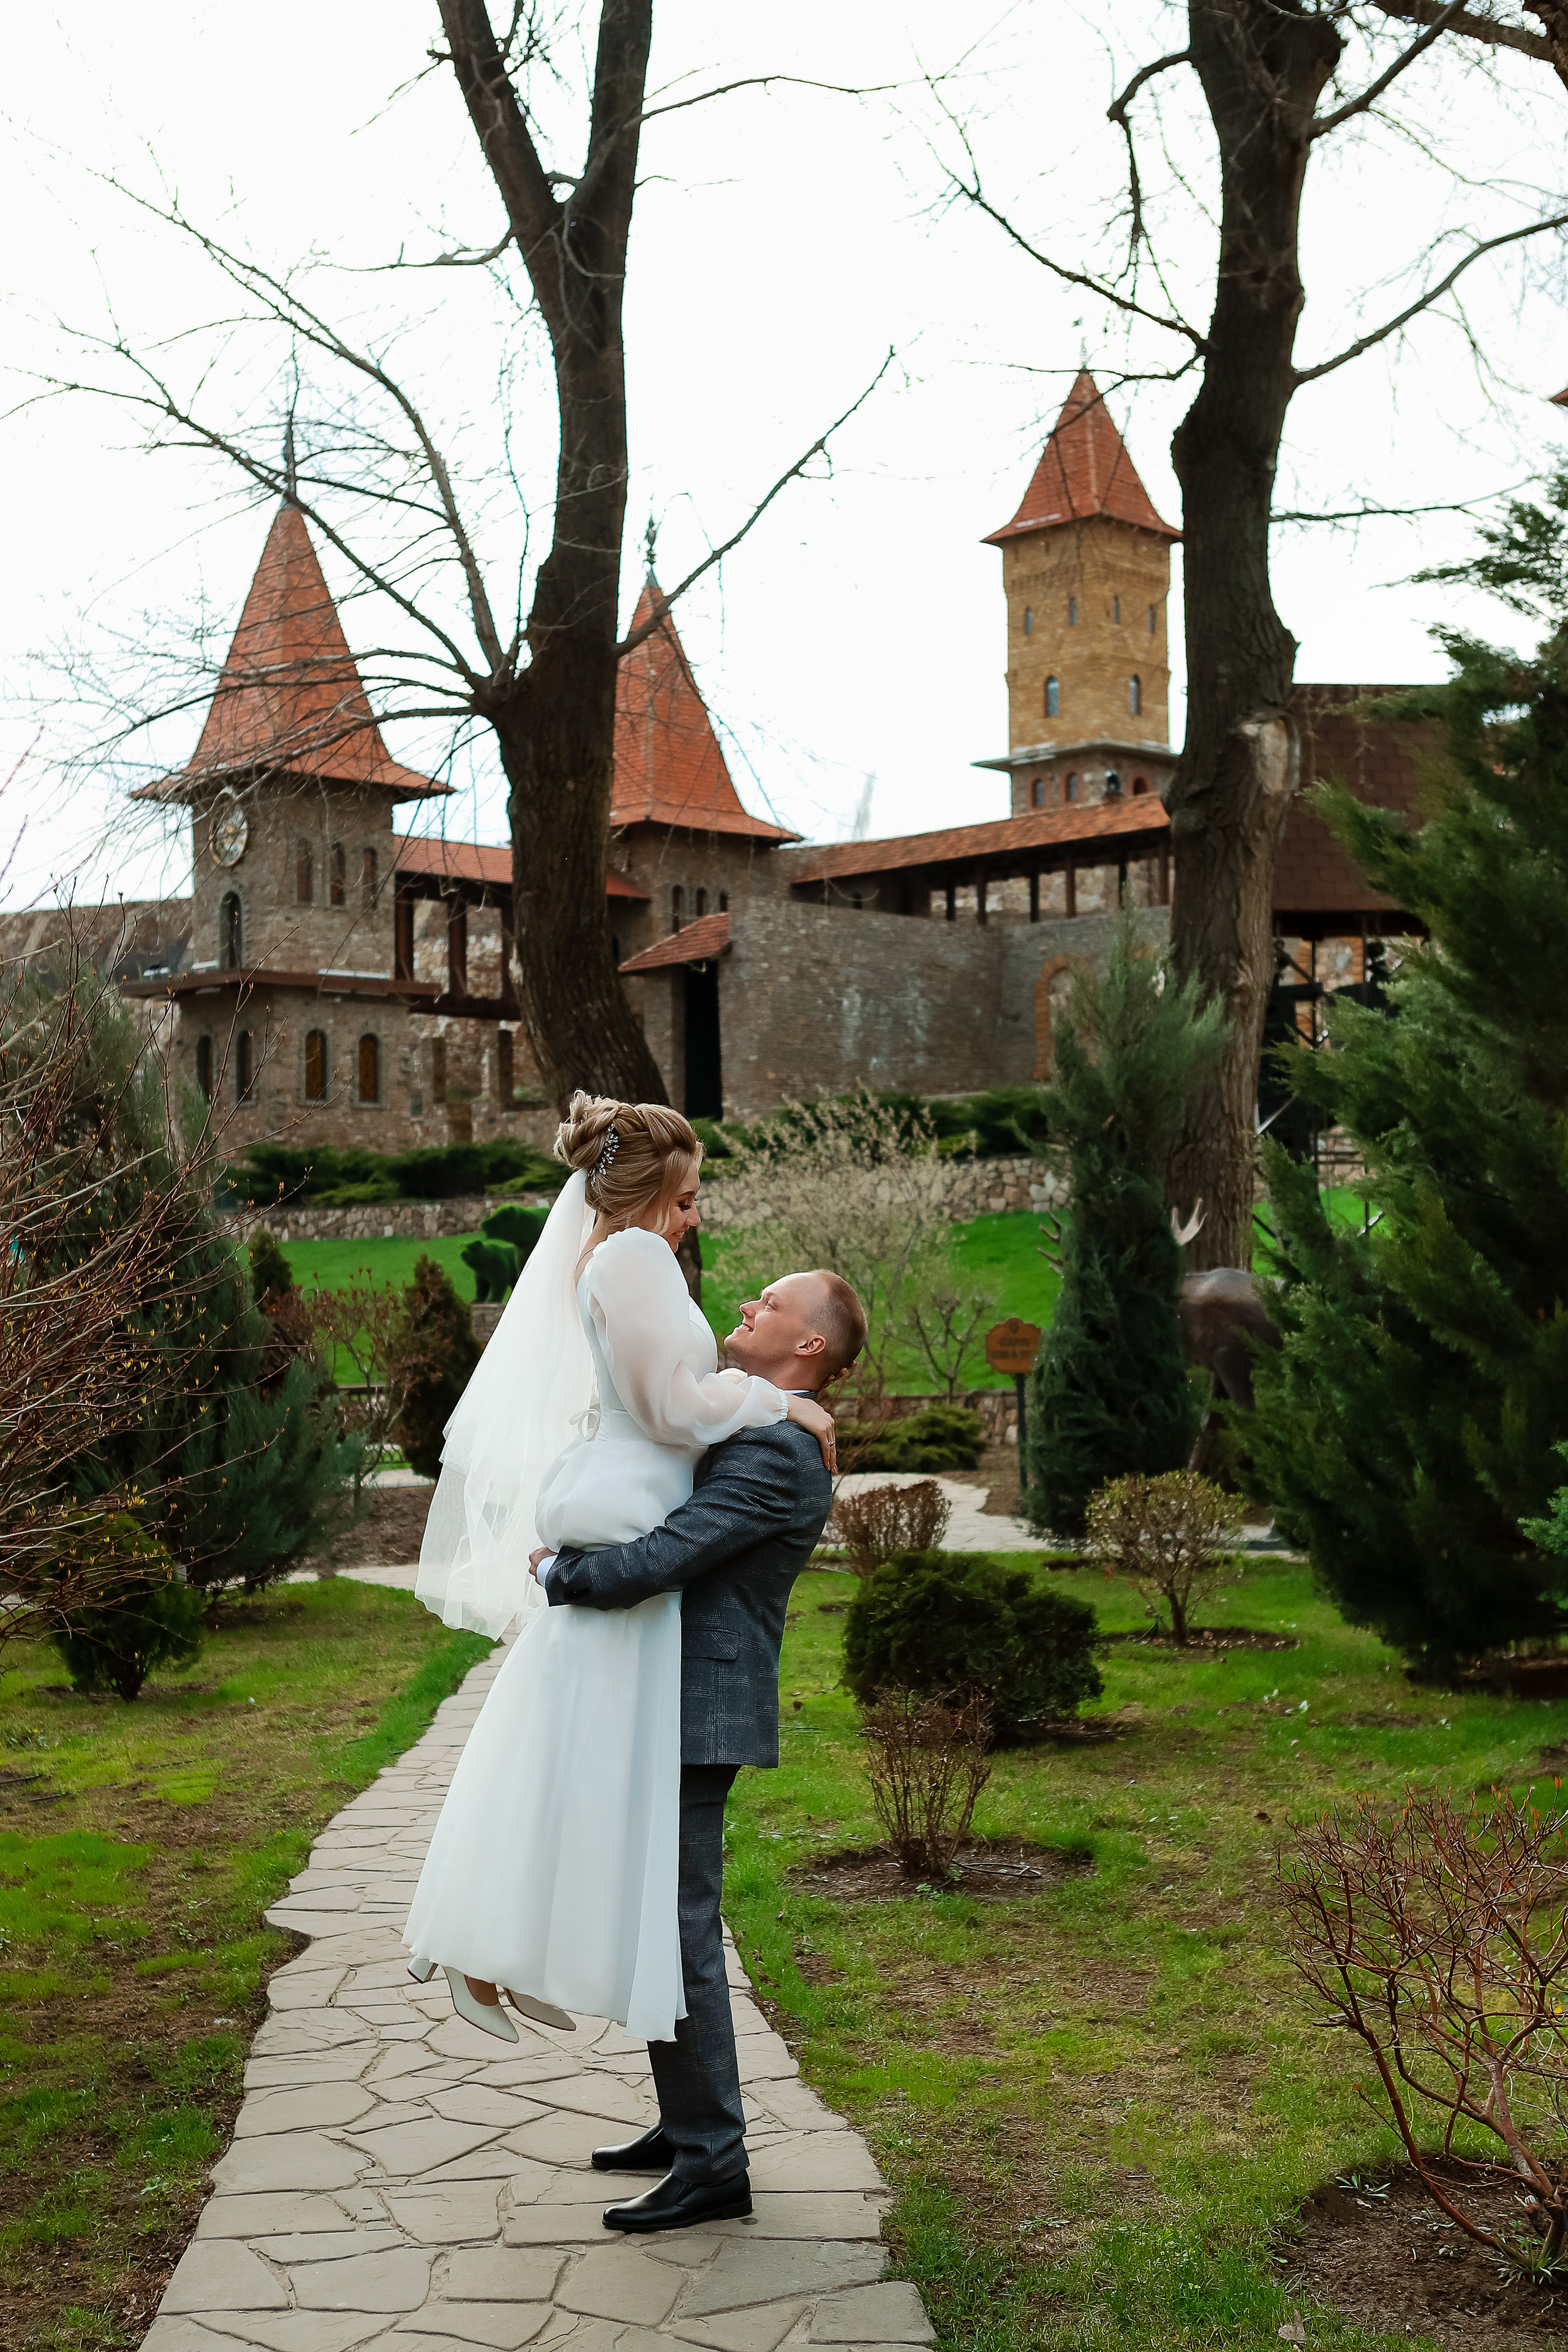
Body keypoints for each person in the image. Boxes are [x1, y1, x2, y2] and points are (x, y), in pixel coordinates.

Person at [403, 1095, 837, 2052]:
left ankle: (509, 1956)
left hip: (631, 1509)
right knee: (566, 1777)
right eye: (686, 1196)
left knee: (568, 1774)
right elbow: (676, 1412)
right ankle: (485, 1953)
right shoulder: (634, 1259)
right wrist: (780, 1401)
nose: (695, 1215)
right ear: (645, 1192)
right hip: (633, 1509)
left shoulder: (628, 1259)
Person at [531, 1258, 866, 2236]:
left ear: (809, 1344)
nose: (748, 1302)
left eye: (772, 1302)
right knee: (658, 1925)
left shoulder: (775, 1458)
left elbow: (666, 1557)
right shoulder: (767, 1424)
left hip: (694, 1706)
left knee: (680, 1932)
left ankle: (714, 2161)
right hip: (667, 1699)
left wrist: (562, 1572)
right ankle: (688, 2128)